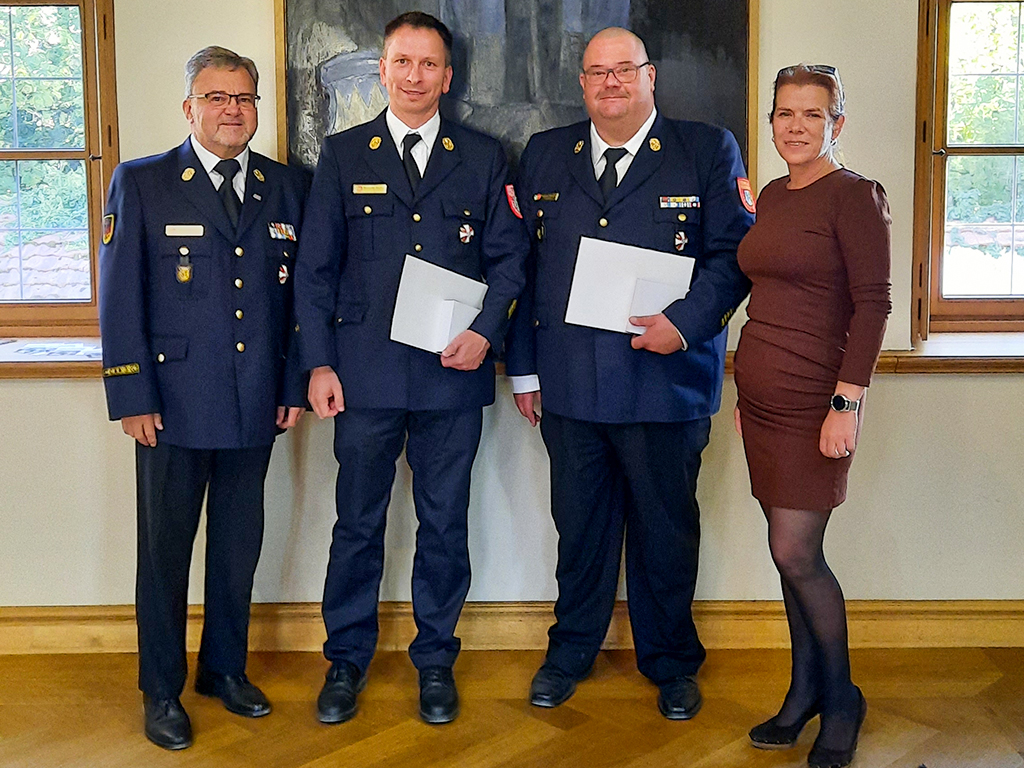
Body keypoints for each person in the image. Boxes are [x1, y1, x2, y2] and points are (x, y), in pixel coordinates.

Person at [505, 27, 752, 719]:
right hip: (571, 384)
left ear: (651, 77)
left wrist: (688, 321)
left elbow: (734, 255)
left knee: (664, 532)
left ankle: (671, 662)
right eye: (597, 73)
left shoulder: (706, 149)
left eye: (625, 70)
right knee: (579, 529)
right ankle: (570, 652)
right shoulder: (546, 154)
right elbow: (521, 270)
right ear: (581, 84)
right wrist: (523, 371)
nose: (611, 83)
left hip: (664, 381)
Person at [293, 11, 527, 726]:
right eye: (403, 62)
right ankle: (345, 662)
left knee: (444, 523)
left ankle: (435, 662)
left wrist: (487, 336)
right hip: (362, 376)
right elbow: (314, 271)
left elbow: (511, 262)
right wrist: (320, 365)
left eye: (429, 64)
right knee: (357, 524)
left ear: (447, 76)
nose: (416, 76)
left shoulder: (484, 158)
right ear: (384, 69)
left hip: (450, 375)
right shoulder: (343, 154)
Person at [98, 47, 309, 750]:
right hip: (171, 405)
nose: (232, 110)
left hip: (254, 401)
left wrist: (291, 385)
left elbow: (296, 303)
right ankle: (162, 688)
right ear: (188, 108)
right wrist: (131, 393)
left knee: (237, 547)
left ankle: (225, 669)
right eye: (216, 97)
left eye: (244, 98)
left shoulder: (285, 187)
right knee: (163, 554)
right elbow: (120, 298)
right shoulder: (146, 182)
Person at [733, 64, 891, 768]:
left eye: (811, 114)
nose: (795, 126)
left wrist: (845, 403)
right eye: (784, 113)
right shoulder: (770, 194)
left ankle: (842, 697)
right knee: (783, 553)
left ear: (837, 124)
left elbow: (874, 306)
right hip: (761, 405)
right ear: (771, 122)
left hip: (816, 404)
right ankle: (803, 692)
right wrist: (743, 396)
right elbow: (764, 296)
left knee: (799, 554)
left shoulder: (855, 197)